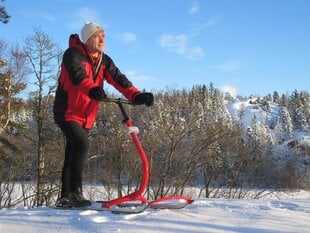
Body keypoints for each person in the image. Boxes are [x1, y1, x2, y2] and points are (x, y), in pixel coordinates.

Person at [53, 22, 154, 207]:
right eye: (96, 36)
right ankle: (75, 193)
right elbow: (78, 76)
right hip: (66, 111)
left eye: (103, 36)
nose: (101, 39)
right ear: (87, 39)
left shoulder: (104, 60)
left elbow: (118, 79)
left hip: (86, 115)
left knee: (72, 153)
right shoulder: (73, 54)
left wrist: (136, 95)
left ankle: (65, 197)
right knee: (81, 144)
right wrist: (92, 89)